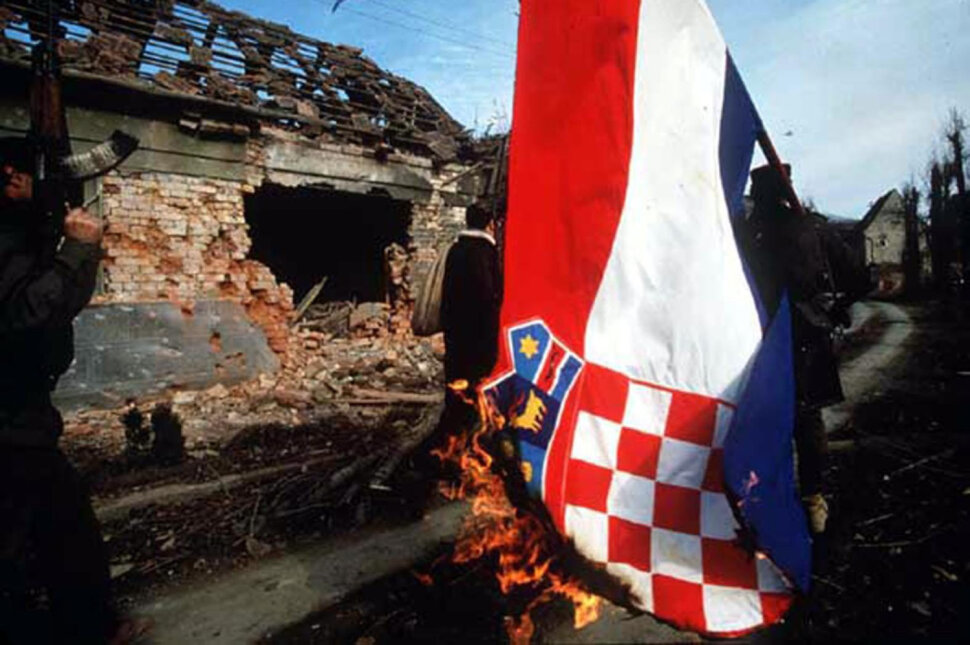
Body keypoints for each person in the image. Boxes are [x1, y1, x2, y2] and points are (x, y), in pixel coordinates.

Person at [0, 138, 147, 644]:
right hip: (9, 419)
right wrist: (74, 252)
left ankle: (89, 625)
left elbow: (62, 305)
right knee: (49, 527)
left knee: (57, 522)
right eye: (36, 177)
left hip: (22, 413)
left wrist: (80, 249)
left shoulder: (22, 233)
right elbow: (27, 314)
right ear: (11, 177)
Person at [739, 163, 870, 535]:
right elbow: (860, 280)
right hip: (806, 337)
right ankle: (813, 501)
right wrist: (837, 306)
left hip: (760, 338)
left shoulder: (745, 235)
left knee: (767, 419)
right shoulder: (812, 227)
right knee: (807, 418)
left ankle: (770, 498)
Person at [402, 203, 502, 512]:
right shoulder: (485, 253)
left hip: (456, 344)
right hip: (479, 348)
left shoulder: (455, 251)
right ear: (490, 224)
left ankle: (445, 465)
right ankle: (439, 467)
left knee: (456, 403)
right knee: (470, 409)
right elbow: (488, 302)